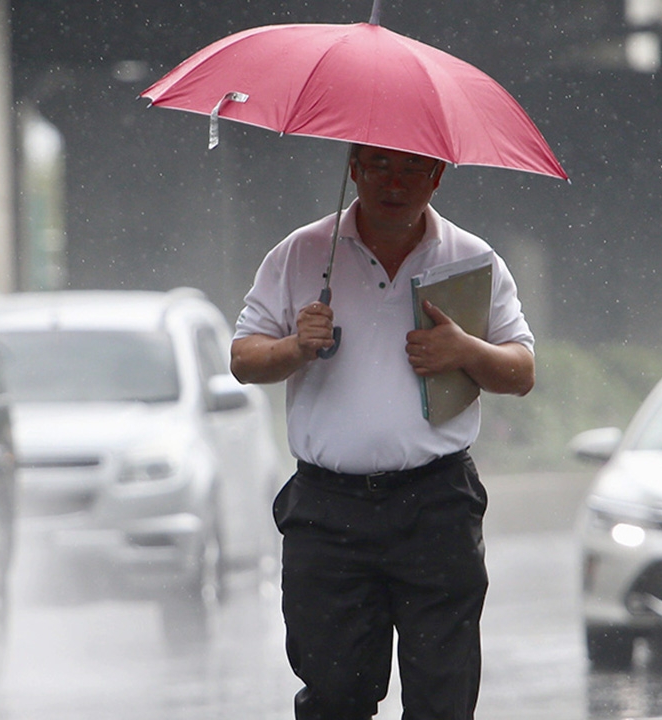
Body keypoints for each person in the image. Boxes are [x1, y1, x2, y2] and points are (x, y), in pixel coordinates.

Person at [230, 143, 535, 720]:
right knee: (334, 697)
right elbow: (244, 358)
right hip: (327, 510)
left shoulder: (472, 258)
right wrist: (296, 346)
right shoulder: (301, 253)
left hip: (437, 504)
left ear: (438, 175)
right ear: (354, 170)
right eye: (379, 165)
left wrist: (465, 349)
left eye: (413, 167)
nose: (395, 181)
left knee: (442, 699)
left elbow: (521, 371)